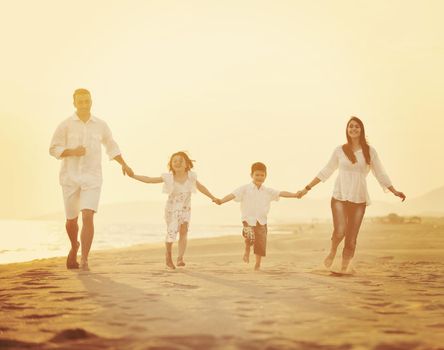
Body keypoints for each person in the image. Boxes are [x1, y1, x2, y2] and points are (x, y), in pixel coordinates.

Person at [297, 116, 406, 273]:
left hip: (359, 198)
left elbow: (380, 172)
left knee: (351, 238)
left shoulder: (370, 151)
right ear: (347, 130)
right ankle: (333, 251)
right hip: (339, 196)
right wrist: (307, 188)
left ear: (361, 130)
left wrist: (394, 190)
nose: (353, 129)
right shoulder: (339, 150)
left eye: (356, 126)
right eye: (350, 126)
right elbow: (326, 171)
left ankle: (344, 268)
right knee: (340, 231)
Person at [49, 88, 133, 270]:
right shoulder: (65, 125)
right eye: (81, 102)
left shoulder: (100, 125)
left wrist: (123, 164)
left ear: (91, 101)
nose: (85, 104)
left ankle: (85, 258)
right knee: (71, 220)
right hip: (70, 178)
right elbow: (53, 148)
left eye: (87, 101)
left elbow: (111, 145)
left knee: (87, 215)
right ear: (74, 104)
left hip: (92, 178)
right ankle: (74, 246)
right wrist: (72, 151)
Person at [129, 151, 217, 269]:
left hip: (186, 209)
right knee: (172, 231)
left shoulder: (191, 176)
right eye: (174, 161)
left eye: (181, 160)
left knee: (184, 231)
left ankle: (180, 258)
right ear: (171, 164)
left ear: (186, 164)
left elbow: (201, 187)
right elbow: (149, 179)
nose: (177, 162)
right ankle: (168, 255)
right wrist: (133, 175)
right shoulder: (168, 177)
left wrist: (212, 197)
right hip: (172, 209)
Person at [216, 162, 299, 271]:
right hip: (248, 220)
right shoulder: (245, 189)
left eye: (262, 175)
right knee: (250, 236)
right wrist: (221, 201)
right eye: (257, 175)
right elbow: (232, 195)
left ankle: (257, 264)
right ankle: (247, 249)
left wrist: (295, 195)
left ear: (265, 176)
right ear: (251, 175)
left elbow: (281, 193)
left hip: (262, 221)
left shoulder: (268, 191)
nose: (259, 177)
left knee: (260, 243)